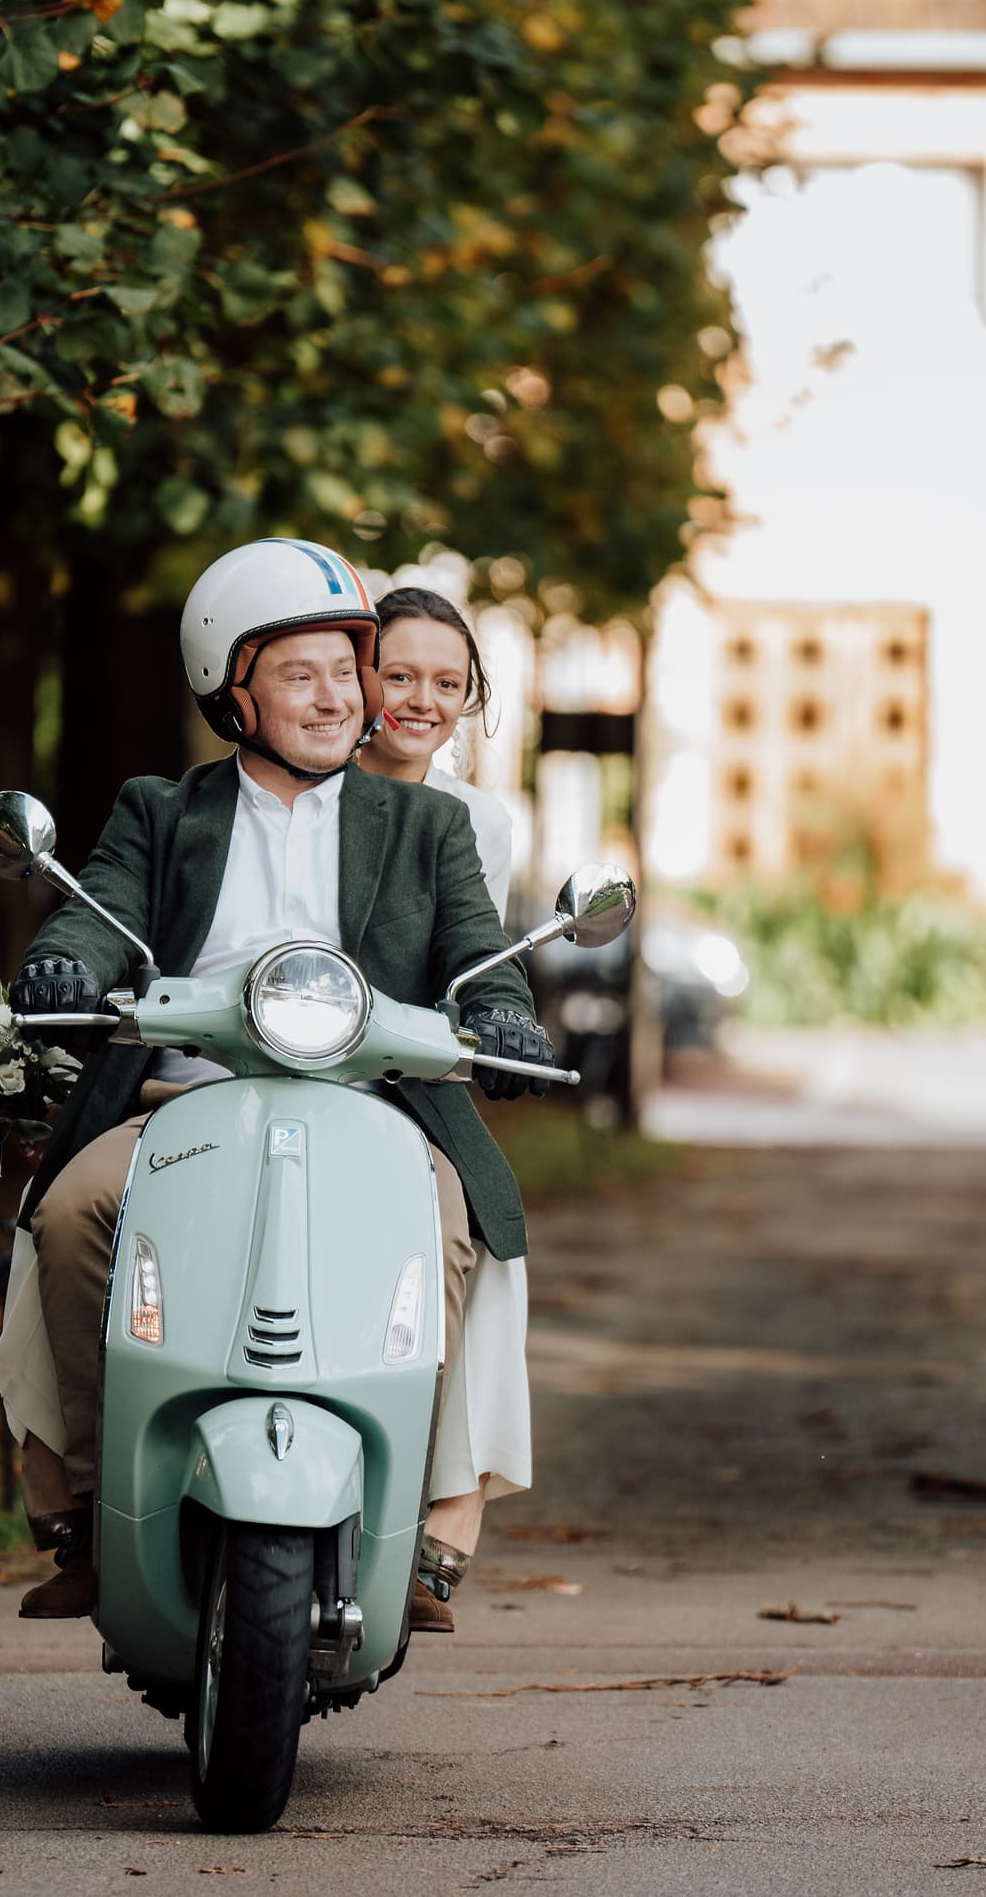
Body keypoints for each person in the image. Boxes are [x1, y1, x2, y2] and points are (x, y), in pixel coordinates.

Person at [0, 538, 554, 1626]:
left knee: (445, 1227)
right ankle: (105, 1510)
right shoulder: (162, 811)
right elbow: (95, 914)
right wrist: (65, 965)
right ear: (232, 691)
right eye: (302, 675)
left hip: (375, 1111)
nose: (338, 698)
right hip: (184, 1104)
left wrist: (502, 1015)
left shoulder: (426, 824)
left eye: (347, 670)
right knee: (69, 1212)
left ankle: (394, 1527)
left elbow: (481, 951)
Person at [356, 586, 529, 1608]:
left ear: (470, 700)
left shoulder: (477, 820)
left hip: (413, 1077)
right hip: (282, 1058)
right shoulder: (305, 788)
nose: (422, 700)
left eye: (447, 683)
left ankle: (446, 1503)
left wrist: (497, 1020)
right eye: (400, 674)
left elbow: (475, 953)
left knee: (488, 1229)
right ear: (360, 678)